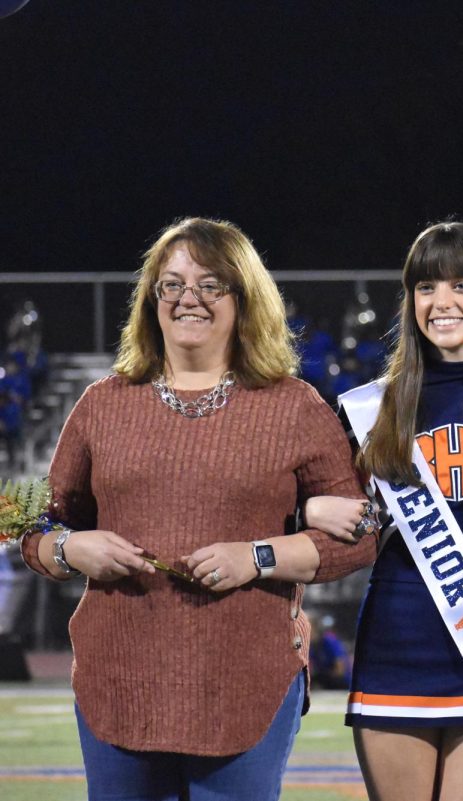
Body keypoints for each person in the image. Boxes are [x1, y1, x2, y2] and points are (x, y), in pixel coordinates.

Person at [18, 217, 376, 800]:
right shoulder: (102, 405)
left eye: (211, 285)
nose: (190, 299)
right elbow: (39, 523)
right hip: (120, 679)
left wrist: (256, 556)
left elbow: (359, 534)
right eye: (173, 284)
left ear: (244, 299)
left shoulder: (294, 406)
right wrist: (70, 547)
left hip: (245, 681)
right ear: (151, 298)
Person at [303, 222, 463, 801]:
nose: (442, 303)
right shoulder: (370, 408)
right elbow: (302, 502)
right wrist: (314, 505)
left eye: (461, 285)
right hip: (397, 638)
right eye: (425, 287)